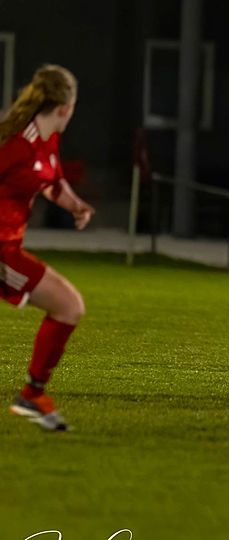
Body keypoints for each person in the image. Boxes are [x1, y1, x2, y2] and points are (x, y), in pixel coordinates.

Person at [1, 65, 94, 431]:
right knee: (69, 305)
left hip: (9, 249)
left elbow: (51, 181)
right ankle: (31, 395)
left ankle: (31, 396)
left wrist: (75, 205)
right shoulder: (16, 145)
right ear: (65, 108)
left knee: (69, 306)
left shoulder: (47, 138)